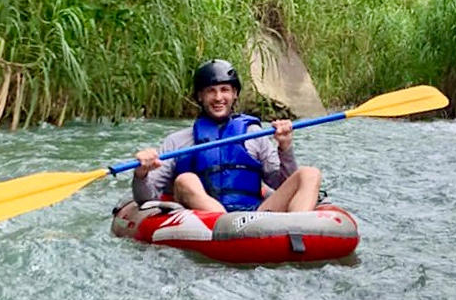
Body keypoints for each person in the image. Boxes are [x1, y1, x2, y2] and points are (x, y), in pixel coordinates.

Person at [131, 58, 323, 212]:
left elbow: (282, 184)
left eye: (225, 90)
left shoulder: (254, 135)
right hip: (209, 222)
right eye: (210, 91)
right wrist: (141, 173)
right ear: (200, 96)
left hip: (256, 214)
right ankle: (225, 224)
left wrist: (285, 148)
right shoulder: (178, 141)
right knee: (185, 180)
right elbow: (146, 198)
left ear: (235, 94)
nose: (218, 98)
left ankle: (301, 231)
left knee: (310, 174)